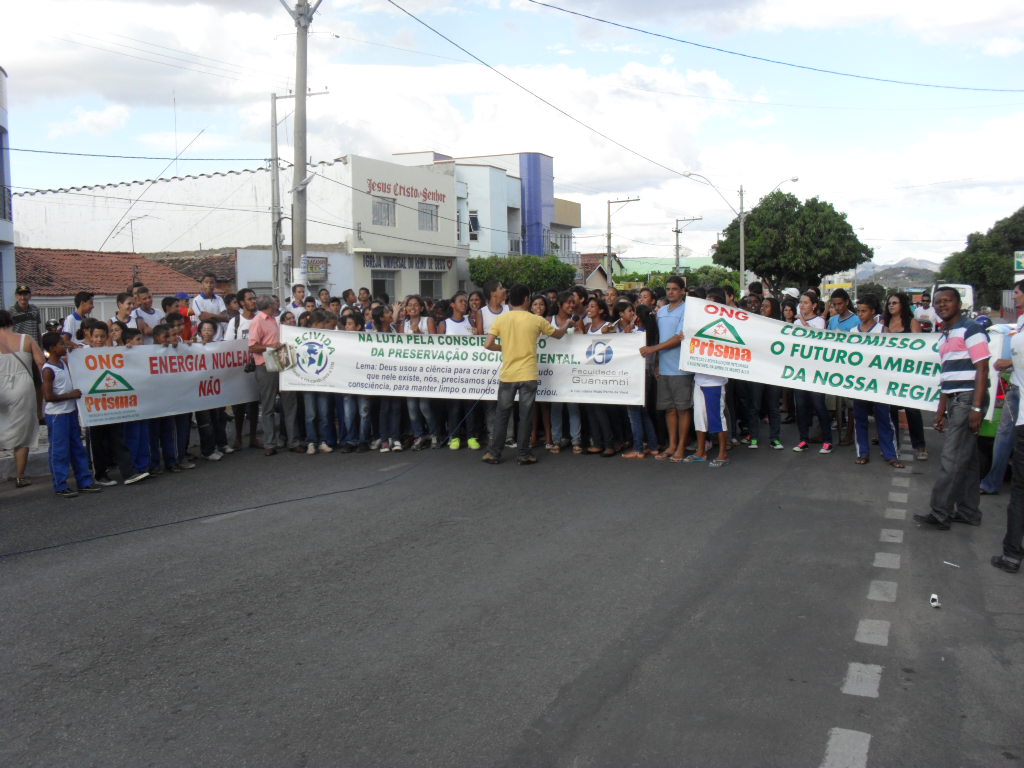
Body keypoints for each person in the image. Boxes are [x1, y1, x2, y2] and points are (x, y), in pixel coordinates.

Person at [914, 286, 990, 531]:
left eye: (947, 301)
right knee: (967, 459)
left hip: (968, 399)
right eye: (938, 302)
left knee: (951, 457)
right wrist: (941, 409)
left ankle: (940, 513)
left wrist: (976, 408)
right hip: (956, 399)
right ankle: (968, 511)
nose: (942, 305)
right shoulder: (945, 335)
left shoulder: (971, 329)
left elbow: (982, 369)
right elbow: (948, 375)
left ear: (959, 304)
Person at [482, 283, 569, 465]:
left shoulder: (501, 320)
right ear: (527, 299)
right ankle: (523, 454)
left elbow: (488, 344)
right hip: (528, 374)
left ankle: (494, 452)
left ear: (510, 300)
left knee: (502, 414)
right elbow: (559, 334)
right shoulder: (536, 320)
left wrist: (504, 348)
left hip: (508, 374)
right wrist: (569, 323)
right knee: (526, 415)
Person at [40, 332, 102, 497]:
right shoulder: (48, 370)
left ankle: (84, 481)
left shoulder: (63, 363)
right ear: (53, 348)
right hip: (57, 415)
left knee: (77, 448)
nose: (64, 346)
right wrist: (70, 395)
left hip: (70, 412)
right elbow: (48, 397)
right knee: (59, 451)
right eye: (61, 344)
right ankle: (60, 484)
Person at [640, 275, 691, 462]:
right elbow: (658, 337)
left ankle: (681, 447)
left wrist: (653, 350)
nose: (670, 292)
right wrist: (657, 363)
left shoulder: (687, 310)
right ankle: (671, 445)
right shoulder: (661, 312)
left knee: (683, 409)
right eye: (668, 289)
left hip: (681, 367)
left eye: (675, 289)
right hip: (664, 367)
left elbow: (678, 338)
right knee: (669, 410)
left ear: (683, 291)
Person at [850, 297, 902, 468]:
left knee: (884, 418)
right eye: (858, 311)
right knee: (860, 418)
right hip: (859, 382)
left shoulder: (883, 330)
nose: (860, 314)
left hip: (880, 382)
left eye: (864, 311)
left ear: (873, 312)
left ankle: (890, 454)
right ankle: (863, 452)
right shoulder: (853, 331)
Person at [249, 296, 300, 456]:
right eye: (274, 303)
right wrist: (270, 346)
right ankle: (270, 443)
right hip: (266, 365)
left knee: (290, 403)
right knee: (268, 406)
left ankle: (293, 441)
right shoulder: (258, 321)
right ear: (269, 306)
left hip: (282, 362)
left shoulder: (273, 319)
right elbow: (252, 347)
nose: (277, 305)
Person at [0, 309, 45, 487]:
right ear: (11, 322)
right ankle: (20, 477)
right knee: (23, 433)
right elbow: (41, 362)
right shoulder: (26, 339)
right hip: (22, 387)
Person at [688, 289, 731, 467]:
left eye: (711, 304)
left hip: (715, 380)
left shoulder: (725, 327)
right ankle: (701, 451)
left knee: (716, 417)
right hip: (699, 378)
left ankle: (723, 452)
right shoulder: (699, 325)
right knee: (699, 416)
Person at [883, 292, 928, 460]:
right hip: (890, 372)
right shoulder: (885, 323)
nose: (891, 305)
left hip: (908, 373)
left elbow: (919, 347)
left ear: (903, 305)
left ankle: (920, 446)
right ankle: (893, 445)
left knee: (912, 409)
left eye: (895, 302)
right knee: (891, 411)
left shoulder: (912, 322)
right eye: (889, 303)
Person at [792, 291, 833, 454]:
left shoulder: (820, 321)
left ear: (814, 305)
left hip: (816, 372)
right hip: (800, 371)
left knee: (818, 405)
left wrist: (802, 321)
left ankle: (828, 440)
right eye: (801, 302)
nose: (802, 305)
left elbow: (815, 338)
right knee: (801, 406)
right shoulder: (796, 323)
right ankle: (803, 439)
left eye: (806, 302)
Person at [191, 273, 230, 341]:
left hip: (219, 338)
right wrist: (219, 317)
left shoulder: (219, 299)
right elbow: (202, 317)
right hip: (203, 339)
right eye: (206, 282)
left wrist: (209, 316)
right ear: (202, 284)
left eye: (211, 282)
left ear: (215, 285)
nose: (209, 285)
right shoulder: (197, 300)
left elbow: (225, 317)